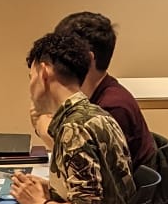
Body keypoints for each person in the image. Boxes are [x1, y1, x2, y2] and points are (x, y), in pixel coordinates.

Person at [0, 32, 137, 204]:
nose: (29, 85)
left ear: (44, 72)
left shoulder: (74, 128)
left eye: (30, 76)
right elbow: (97, 190)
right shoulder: (94, 114)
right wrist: (49, 189)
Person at [42, 11, 155, 171]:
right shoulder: (94, 97)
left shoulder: (112, 107)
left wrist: (39, 117)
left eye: (63, 56)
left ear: (88, 59)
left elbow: (93, 174)